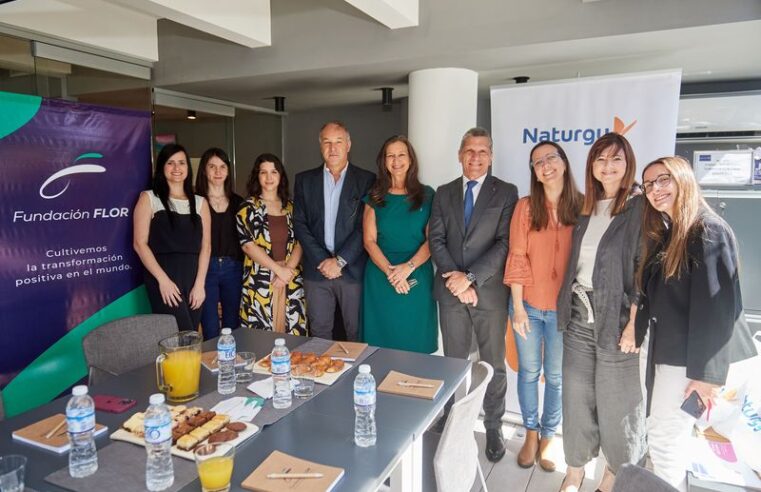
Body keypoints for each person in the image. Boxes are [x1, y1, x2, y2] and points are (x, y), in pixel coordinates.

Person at [636, 156, 758, 492]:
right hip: (670, 354)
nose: (655, 190)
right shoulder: (673, 230)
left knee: (665, 440)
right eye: (648, 185)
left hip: (688, 364)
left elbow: (719, 310)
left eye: (663, 180)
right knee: (664, 435)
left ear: (683, 179)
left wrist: (707, 378)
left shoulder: (708, 231)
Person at [556, 133, 646, 492]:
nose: (607, 167)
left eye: (616, 160)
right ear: (591, 166)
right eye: (600, 159)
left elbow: (643, 267)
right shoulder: (585, 207)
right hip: (579, 315)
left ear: (628, 166)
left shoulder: (640, 208)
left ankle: (613, 475)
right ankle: (575, 472)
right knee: (576, 398)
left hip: (618, 320)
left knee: (617, 404)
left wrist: (634, 326)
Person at [428, 127, 518, 462]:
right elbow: (436, 239)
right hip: (452, 294)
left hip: (489, 294)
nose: (475, 157)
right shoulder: (443, 192)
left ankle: (493, 426)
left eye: (482, 151)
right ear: (459, 154)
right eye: (469, 150)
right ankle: (453, 420)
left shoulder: (506, 192)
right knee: (454, 363)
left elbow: (505, 243)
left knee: (492, 364)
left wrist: (469, 279)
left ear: (491, 156)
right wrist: (456, 281)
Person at [504, 141, 582, 472]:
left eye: (551, 158)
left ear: (564, 163)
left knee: (555, 376)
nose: (545, 165)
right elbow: (517, 257)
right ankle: (531, 433)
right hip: (528, 308)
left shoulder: (582, 206)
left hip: (564, 311)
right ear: (533, 172)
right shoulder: (525, 207)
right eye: (537, 162)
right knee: (528, 372)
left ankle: (550, 437)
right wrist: (518, 307)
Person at [293, 121, 375, 341]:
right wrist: (323, 261)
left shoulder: (367, 180)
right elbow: (300, 223)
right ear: (320, 146)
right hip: (316, 270)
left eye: (338, 142)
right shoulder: (304, 180)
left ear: (348, 145)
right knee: (319, 334)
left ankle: (357, 376)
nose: (333, 148)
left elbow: (364, 227)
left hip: (353, 270)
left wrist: (339, 261)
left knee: (357, 333)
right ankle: (322, 376)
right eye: (327, 142)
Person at [361, 135, 437, 353]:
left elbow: (432, 240)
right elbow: (369, 240)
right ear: (384, 162)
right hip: (380, 275)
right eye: (390, 156)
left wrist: (407, 269)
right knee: (379, 347)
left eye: (401, 154)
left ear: (410, 159)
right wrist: (392, 273)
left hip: (417, 275)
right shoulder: (374, 197)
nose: (396, 160)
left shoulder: (427, 195)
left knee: (416, 341)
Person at [133, 143, 211, 332]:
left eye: (182, 163)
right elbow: (139, 244)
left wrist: (200, 284)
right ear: (162, 167)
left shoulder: (200, 202)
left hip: (193, 279)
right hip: (164, 277)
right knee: (177, 336)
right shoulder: (149, 198)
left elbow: (206, 246)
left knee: (191, 334)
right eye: (170, 163)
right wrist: (163, 281)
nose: (177, 168)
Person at [236, 153, 307, 335]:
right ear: (256, 176)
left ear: (280, 175)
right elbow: (248, 245)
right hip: (260, 277)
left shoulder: (292, 207)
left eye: (274, 172)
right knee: (260, 337)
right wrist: (278, 269)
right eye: (263, 172)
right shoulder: (248, 207)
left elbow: (301, 241)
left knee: (292, 334)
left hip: (289, 278)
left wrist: (286, 271)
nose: (269, 177)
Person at [194, 147, 244, 340]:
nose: (218, 171)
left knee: (233, 324)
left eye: (222, 166)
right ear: (204, 170)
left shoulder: (238, 202)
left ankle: (233, 364)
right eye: (212, 166)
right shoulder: (196, 201)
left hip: (234, 268)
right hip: (206, 268)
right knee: (210, 325)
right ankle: (212, 367)